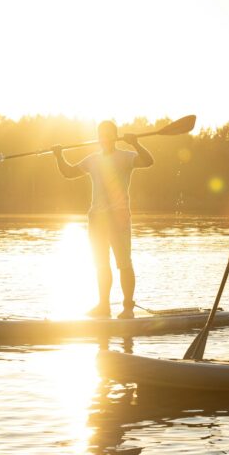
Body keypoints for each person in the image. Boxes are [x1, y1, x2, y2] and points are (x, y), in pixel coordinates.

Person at [51, 121, 154, 319]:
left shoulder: (125, 156)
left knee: (124, 263)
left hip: (119, 217)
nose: (104, 137)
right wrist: (59, 156)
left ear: (115, 136)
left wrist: (136, 143)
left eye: (108, 133)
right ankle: (103, 306)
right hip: (96, 219)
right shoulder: (92, 160)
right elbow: (69, 172)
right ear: (98, 137)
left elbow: (149, 161)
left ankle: (128, 308)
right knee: (101, 264)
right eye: (101, 134)